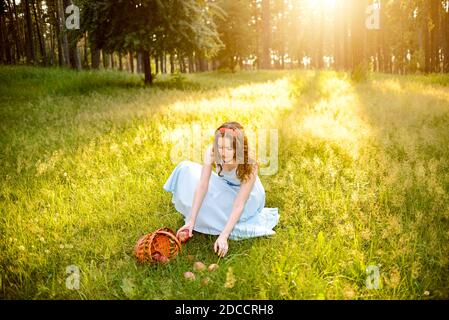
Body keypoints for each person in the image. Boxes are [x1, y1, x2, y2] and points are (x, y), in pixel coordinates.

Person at [163, 121, 279, 257]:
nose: (222, 153)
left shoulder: (249, 162)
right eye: (220, 147)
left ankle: (223, 220)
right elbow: (202, 185)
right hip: (225, 185)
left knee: (212, 206)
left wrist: (224, 236)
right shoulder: (212, 152)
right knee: (186, 169)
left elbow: (239, 203)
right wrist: (191, 220)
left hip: (248, 197)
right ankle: (200, 217)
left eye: (228, 149)